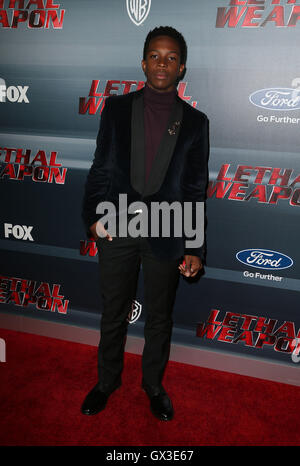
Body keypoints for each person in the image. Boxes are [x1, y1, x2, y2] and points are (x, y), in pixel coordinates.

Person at [81, 26, 209, 421]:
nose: (162, 63)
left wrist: (194, 247)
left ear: (182, 68)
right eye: (155, 55)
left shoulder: (195, 122)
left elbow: (194, 190)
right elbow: (100, 168)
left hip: (167, 233)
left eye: (171, 58)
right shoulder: (116, 109)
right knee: (113, 311)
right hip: (116, 228)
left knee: (158, 318)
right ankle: (106, 382)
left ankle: (153, 386)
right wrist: (92, 220)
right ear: (143, 62)